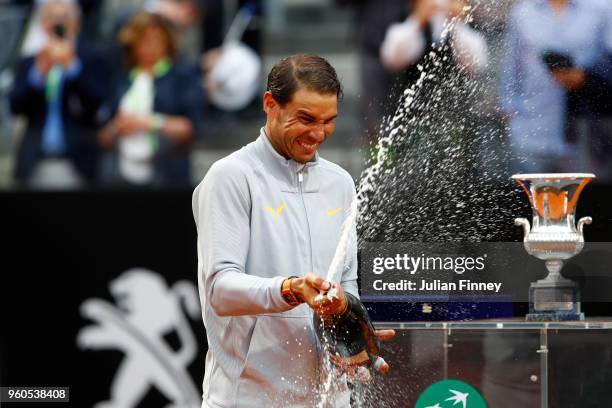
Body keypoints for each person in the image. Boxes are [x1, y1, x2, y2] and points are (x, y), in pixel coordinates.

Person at [192, 54, 394, 407]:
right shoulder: (230, 177)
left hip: (329, 399)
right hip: (249, 398)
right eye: (305, 118)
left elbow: (345, 285)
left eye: (329, 121)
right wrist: (292, 289)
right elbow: (219, 291)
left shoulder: (341, 183)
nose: (318, 133)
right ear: (270, 104)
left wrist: (352, 335)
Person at [498, 0, 612, 173]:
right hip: (531, 129)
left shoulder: (602, 7)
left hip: (587, 133)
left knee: (589, 199)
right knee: (531, 199)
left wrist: (586, 77)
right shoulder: (523, 11)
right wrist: (509, 110)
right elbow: (510, 66)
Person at [9, 0, 110, 189]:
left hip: (79, 159)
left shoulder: (93, 58)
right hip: (34, 157)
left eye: (64, 17)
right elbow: (16, 106)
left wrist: (72, 68)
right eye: (52, 18)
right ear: (42, 23)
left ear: (77, 23)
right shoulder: (30, 61)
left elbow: (98, 106)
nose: (58, 23)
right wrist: (39, 73)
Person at [98, 11, 205, 187]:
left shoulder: (182, 75)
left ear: (167, 42)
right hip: (121, 174)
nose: (148, 47)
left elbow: (192, 128)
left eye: (156, 40)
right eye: (142, 40)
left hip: (167, 174)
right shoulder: (122, 78)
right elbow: (103, 134)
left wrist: (146, 122)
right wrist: (117, 126)